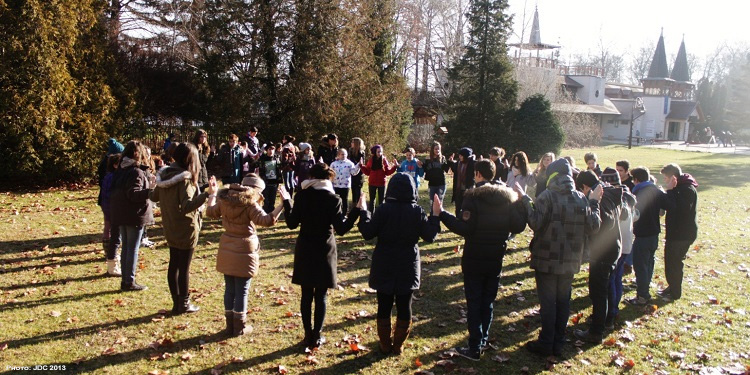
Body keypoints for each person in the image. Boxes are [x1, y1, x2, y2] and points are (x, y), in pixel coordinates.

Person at [435, 159, 526, 361]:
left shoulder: (472, 198)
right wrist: (520, 203)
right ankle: (482, 338)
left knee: (475, 301)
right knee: (488, 300)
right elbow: (519, 226)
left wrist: (442, 214)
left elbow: (464, 228)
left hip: (475, 257)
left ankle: (475, 345)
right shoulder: (506, 198)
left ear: (477, 174)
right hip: (495, 257)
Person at [521, 158, 602, 357]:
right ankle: (558, 341)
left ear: (552, 176)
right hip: (570, 259)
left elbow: (535, 223)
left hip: (546, 258)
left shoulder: (546, 196)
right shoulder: (581, 198)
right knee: (563, 301)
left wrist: (525, 200)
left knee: (548, 302)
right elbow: (594, 227)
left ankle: (547, 342)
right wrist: (594, 203)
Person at [358, 173, 440, 355]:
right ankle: (397, 344)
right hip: (407, 262)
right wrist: (435, 215)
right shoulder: (416, 210)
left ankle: (386, 344)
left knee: (384, 303)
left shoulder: (383, 209)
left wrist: (364, 212)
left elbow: (368, 232)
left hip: (384, 260)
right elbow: (430, 235)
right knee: (405, 304)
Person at [280, 163, 360, 349]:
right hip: (324, 249)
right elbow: (341, 229)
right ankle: (317, 335)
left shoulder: (302, 196)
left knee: (306, 294)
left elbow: (291, 223)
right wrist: (357, 209)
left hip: (306, 247)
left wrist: (286, 201)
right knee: (321, 295)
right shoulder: (333, 199)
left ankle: (308, 334)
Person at [206, 173, 284, 336]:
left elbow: (210, 212)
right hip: (245, 248)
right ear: (255, 190)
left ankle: (229, 326)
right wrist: (282, 205)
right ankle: (239, 326)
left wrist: (213, 193)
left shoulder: (225, 198)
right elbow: (267, 220)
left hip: (227, 245)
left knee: (230, 288)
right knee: (242, 290)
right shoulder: (250, 203)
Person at [149, 143, 212, 314]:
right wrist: (207, 194)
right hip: (185, 228)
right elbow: (187, 206)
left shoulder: (164, 175)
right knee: (183, 267)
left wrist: (152, 183)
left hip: (170, 225)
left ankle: (176, 303)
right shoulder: (184, 179)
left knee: (174, 264)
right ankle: (183, 304)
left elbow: (153, 195)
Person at [573, 170, 623, 344]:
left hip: (603, 252)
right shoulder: (609, 192)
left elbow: (602, 224)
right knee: (606, 288)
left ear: (585, 187)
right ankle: (607, 321)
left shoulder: (599, 198)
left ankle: (596, 332)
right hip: (613, 248)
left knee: (598, 292)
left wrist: (592, 204)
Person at [110, 141, 155, 291]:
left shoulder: (121, 170)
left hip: (121, 213)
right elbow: (134, 194)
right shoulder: (135, 172)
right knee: (132, 249)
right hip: (134, 214)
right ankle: (129, 281)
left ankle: (126, 280)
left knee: (127, 248)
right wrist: (150, 191)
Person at [626, 167, 667, 306]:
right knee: (649, 263)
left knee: (640, 265)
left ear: (636, 180)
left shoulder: (637, 193)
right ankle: (645, 289)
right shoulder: (657, 191)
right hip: (654, 233)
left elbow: (634, 215)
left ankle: (642, 295)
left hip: (642, 234)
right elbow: (662, 211)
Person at [658, 164, 698, 301]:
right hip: (675, 233)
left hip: (682, 234)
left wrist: (669, 191)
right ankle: (672, 287)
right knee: (670, 262)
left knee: (674, 263)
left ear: (673, 178)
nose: (665, 181)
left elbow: (677, 208)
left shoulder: (687, 189)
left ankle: (675, 293)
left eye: (666, 178)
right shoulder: (679, 188)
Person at [603, 168, 637, 329]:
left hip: (617, 245)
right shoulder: (628, 195)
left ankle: (611, 312)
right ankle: (614, 309)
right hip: (626, 244)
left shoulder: (615, 198)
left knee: (611, 280)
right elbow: (636, 216)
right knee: (617, 278)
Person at [100, 153, 122, 276]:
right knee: (113, 233)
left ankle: (110, 254)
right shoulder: (113, 177)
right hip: (111, 208)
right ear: (114, 165)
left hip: (108, 207)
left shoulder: (108, 177)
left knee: (109, 230)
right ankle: (111, 256)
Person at [360, 145, 397, 210]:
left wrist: (395, 167)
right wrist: (361, 166)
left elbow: (387, 172)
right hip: (372, 183)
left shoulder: (384, 160)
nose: (380, 153)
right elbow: (368, 172)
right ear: (375, 152)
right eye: (378, 152)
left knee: (381, 200)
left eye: (381, 152)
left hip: (382, 183)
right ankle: (371, 215)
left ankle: (381, 215)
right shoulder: (371, 160)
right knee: (372, 200)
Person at [423, 142, 450, 215]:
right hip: (432, 184)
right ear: (432, 149)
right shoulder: (428, 159)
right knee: (432, 201)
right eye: (436, 149)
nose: (437, 150)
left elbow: (446, 169)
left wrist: (449, 161)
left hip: (441, 183)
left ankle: (440, 217)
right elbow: (425, 169)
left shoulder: (442, 158)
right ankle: (432, 217)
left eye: (439, 149)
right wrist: (421, 165)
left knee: (439, 201)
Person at [330, 149, 361, 214]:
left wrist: (358, 165)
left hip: (345, 185)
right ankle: (336, 212)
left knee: (345, 199)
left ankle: (344, 213)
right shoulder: (334, 164)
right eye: (342, 154)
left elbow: (354, 172)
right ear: (338, 155)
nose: (344, 156)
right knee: (336, 199)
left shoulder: (349, 163)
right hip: (336, 184)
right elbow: (330, 173)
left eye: (345, 154)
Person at [447, 147, 476, 216]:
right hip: (458, 189)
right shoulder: (458, 163)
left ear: (465, 156)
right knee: (458, 208)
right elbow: (455, 171)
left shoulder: (472, 163)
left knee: (466, 208)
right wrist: (450, 162)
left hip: (467, 189)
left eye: (461, 155)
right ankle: (458, 220)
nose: (459, 157)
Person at [258, 144, 282, 213]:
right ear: (266, 150)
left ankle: (272, 214)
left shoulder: (276, 158)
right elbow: (260, 170)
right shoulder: (263, 159)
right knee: (266, 200)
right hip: (266, 182)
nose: (271, 151)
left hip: (274, 182)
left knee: (272, 200)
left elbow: (279, 170)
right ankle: (265, 214)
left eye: (272, 149)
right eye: (269, 149)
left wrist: (279, 182)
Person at [348, 138, 366, 211]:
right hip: (352, 174)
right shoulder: (350, 151)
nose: (351, 143)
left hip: (359, 175)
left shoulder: (362, 153)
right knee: (353, 191)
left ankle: (359, 207)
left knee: (358, 191)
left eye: (352, 142)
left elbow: (362, 164)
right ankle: (353, 207)